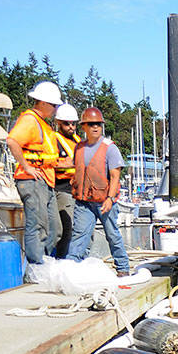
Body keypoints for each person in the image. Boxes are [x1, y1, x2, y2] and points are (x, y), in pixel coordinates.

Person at [66, 106, 130, 275]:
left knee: (112, 235)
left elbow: (115, 176)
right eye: (91, 124)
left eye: (98, 124)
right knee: (79, 235)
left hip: (104, 201)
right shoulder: (78, 147)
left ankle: (123, 268)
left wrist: (110, 199)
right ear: (84, 127)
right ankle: (72, 269)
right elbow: (74, 167)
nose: (95, 127)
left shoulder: (110, 148)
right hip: (84, 201)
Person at [5, 81, 62, 266]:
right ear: (43, 103)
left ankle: (43, 261)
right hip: (32, 179)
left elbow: (48, 155)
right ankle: (36, 267)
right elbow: (12, 141)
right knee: (37, 226)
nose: (55, 109)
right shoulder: (30, 120)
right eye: (54, 105)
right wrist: (27, 166)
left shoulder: (43, 124)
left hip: (46, 180)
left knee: (54, 228)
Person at [50, 104, 81, 258]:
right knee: (65, 229)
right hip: (62, 189)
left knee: (79, 229)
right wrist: (65, 163)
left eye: (73, 123)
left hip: (77, 190)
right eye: (67, 123)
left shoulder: (77, 140)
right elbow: (48, 162)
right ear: (58, 123)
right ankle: (60, 260)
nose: (71, 127)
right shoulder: (54, 140)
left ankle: (74, 260)